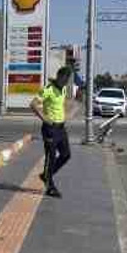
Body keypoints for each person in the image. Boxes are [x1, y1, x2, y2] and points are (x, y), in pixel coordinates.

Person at [31, 66, 73, 198]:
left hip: (61, 128)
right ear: (59, 76)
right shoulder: (48, 89)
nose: (66, 82)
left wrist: (65, 115)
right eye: (65, 79)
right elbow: (33, 104)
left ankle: (46, 175)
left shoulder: (64, 89)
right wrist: (45, 118)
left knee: (66, 155)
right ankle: (50, 186)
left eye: (68, 79)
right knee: (51, 157)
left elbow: (62, 103)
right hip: (50, 128)